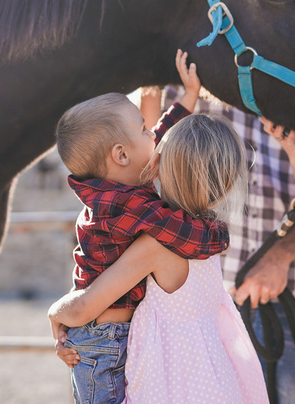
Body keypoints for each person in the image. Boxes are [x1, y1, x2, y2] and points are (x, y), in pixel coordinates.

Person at [141, 0, 295, 404]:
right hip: (204, 285)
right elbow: (150, 155)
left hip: (286, 286)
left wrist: (293, 146)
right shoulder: (199, 66)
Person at [49, 114, 269, 403]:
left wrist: (55, 311)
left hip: (169, 383)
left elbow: (84, 308)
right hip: (211, 376)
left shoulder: (155, 247)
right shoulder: (208, 235)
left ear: (157, 167)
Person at [54, 50, 230, 404]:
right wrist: (219, 232)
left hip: (108, 332)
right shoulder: (126, 205)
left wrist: (188, 98)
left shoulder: (119, 185)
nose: (155, 134)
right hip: (105, 339)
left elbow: (157, 141)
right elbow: (188, 236)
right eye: (144, 129)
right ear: (120, 155)